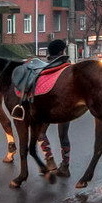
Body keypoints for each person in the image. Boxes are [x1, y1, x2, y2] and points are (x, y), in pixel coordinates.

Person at [37, 39, 71, 175]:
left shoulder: (44, 69)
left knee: (40, 133)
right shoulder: (68, 69)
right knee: (63, 136)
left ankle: (49, 159)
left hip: (47, 107)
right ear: (62, 52)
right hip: (66, 107)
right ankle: (65, 166)